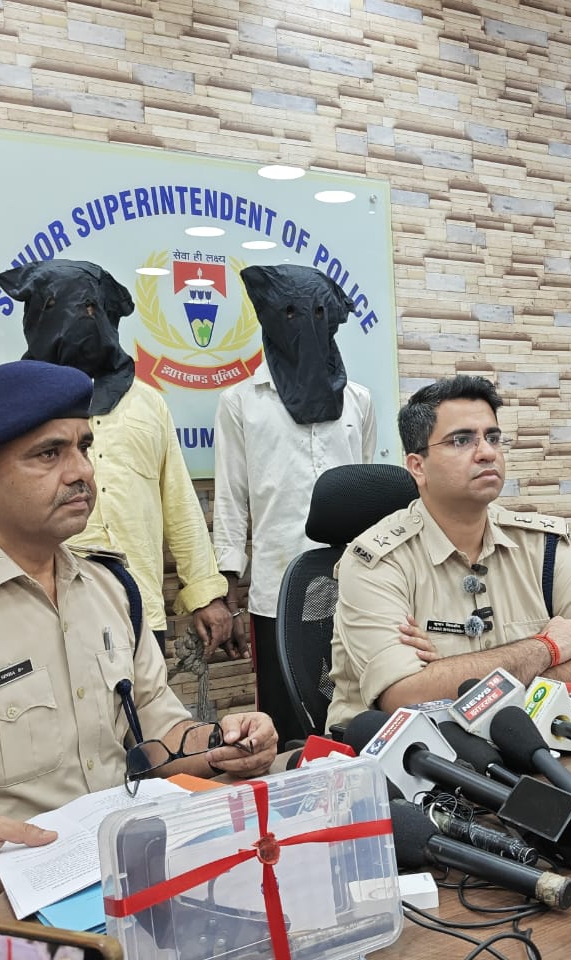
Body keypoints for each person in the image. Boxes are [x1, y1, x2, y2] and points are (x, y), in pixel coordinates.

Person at [0, 361, 278, 909]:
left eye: (83, 447)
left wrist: (223, 745)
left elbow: (155, 737)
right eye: (49, 454)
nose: (82, 471)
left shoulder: (113, 591)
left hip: (123, 888)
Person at [325, 376, 571, 728]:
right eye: (462, 440)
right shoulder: (376, 562)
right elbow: (406, 696)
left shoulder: (542, 545)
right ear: (418, 466)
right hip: (399, 752)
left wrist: (451, 676)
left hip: (526, 739)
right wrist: (545, 648)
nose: (487, 452)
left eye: (493, 437)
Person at [0, 260, 235, 657]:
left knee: (149, 699)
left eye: (92, 308)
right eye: (60, 307)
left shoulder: (147, 404)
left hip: (138, 608)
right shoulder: (12, 406)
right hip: (43, 612)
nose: (80, 321)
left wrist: (205, 593)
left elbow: (178, 501)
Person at [213, 265, 376, 743]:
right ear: (269, 318)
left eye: (318, 312)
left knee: (357, 708)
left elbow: (367, 489)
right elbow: (231, 497)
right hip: (277, 590)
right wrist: (229, 588)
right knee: (286, 721)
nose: (304, 323)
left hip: (355, 585)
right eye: (289, 313)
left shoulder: (358, 401)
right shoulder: (241, 402)